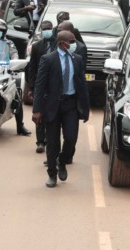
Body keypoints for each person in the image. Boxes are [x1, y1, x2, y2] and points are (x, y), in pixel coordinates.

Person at [32, 30, 90, 188]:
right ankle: (52, 174)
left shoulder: (77, 60)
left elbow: (82, 84)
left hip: (70, 105)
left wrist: (85, 108)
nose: (74, 45)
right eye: (71, 42)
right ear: (62, 43)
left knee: (71, 138)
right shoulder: (48, 59)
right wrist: (37, 109)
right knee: (52, 142)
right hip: (52, 106)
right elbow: (40, 85)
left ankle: (62, 161)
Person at [26, 20, 55, 153]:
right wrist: (31, 87)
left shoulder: (57, 45)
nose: (46, 30)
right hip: (40, 85)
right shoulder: (37, 46)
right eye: (44, 29)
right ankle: (40, 142)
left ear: (52, 29)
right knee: (39, 112)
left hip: (54, 85)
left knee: (52, 115)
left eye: (48, 28)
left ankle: (51, 140)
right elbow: (32, 68)